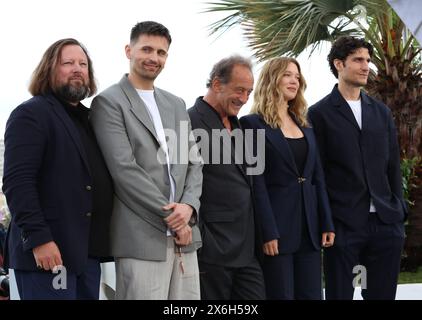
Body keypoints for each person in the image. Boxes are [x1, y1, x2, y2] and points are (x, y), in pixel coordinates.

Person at [90, 21, 203, 300]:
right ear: (129, 51)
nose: (154, 58)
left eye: (161, 53)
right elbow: (124, 170)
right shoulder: (108, 102)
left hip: (184, 238)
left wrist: (188, 207)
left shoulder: (176, 103)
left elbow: (194, 162)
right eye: (147, 49)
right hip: (141, 237)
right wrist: (174, 217)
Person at [2, 38, 114, 299]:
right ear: (49, 70)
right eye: (68, 63)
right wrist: (39, 240)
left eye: (83, 64)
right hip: (49, 256)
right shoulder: (31, 114)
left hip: (86, 255)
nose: (77, 68)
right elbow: (17, 183)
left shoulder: (90, 120)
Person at [308, 36, 407, 300]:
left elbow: (392, 167)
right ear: (339, 64)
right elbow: (318, 173)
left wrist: (399, 212)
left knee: (379, 296)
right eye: (358, 60)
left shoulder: (381, 113)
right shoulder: (319, 114)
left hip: (385, 226)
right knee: (342, 294)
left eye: (368, 60)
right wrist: (328, 221)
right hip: (345, 227)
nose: (366, 66)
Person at [239, 57, 335, 300]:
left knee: (312, 295)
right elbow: (256, 183)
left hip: (310, 229)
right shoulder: (251, 124)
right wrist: (268, 231)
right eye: (287, 75)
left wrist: (326, 221)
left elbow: (317, 178)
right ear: (272, 80)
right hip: (277, 232)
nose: (295, 80)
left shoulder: (305, 123)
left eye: (297, 75)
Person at [188, 55, 266, 300]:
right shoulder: (188, 121)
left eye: (249, 92)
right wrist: (202, 241)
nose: (244, 99)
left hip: (246, 247)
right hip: (211, 249)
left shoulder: (240, 125)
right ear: (216, 84)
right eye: (239, 90)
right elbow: (181, 184)